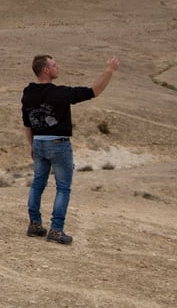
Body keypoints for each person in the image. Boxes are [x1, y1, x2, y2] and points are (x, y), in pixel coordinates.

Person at [21, 54, 119, 244]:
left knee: (38, 184)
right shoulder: (59, 93)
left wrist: (32, 145)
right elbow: (93, 91)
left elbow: (27, 123)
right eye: (54, 65)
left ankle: (34, 225)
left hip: (39, 142)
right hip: (58, 144)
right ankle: (56, 230)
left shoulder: (28, 93)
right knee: (63, 188)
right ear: (46, 70)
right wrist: (109, 72)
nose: (58, 67)